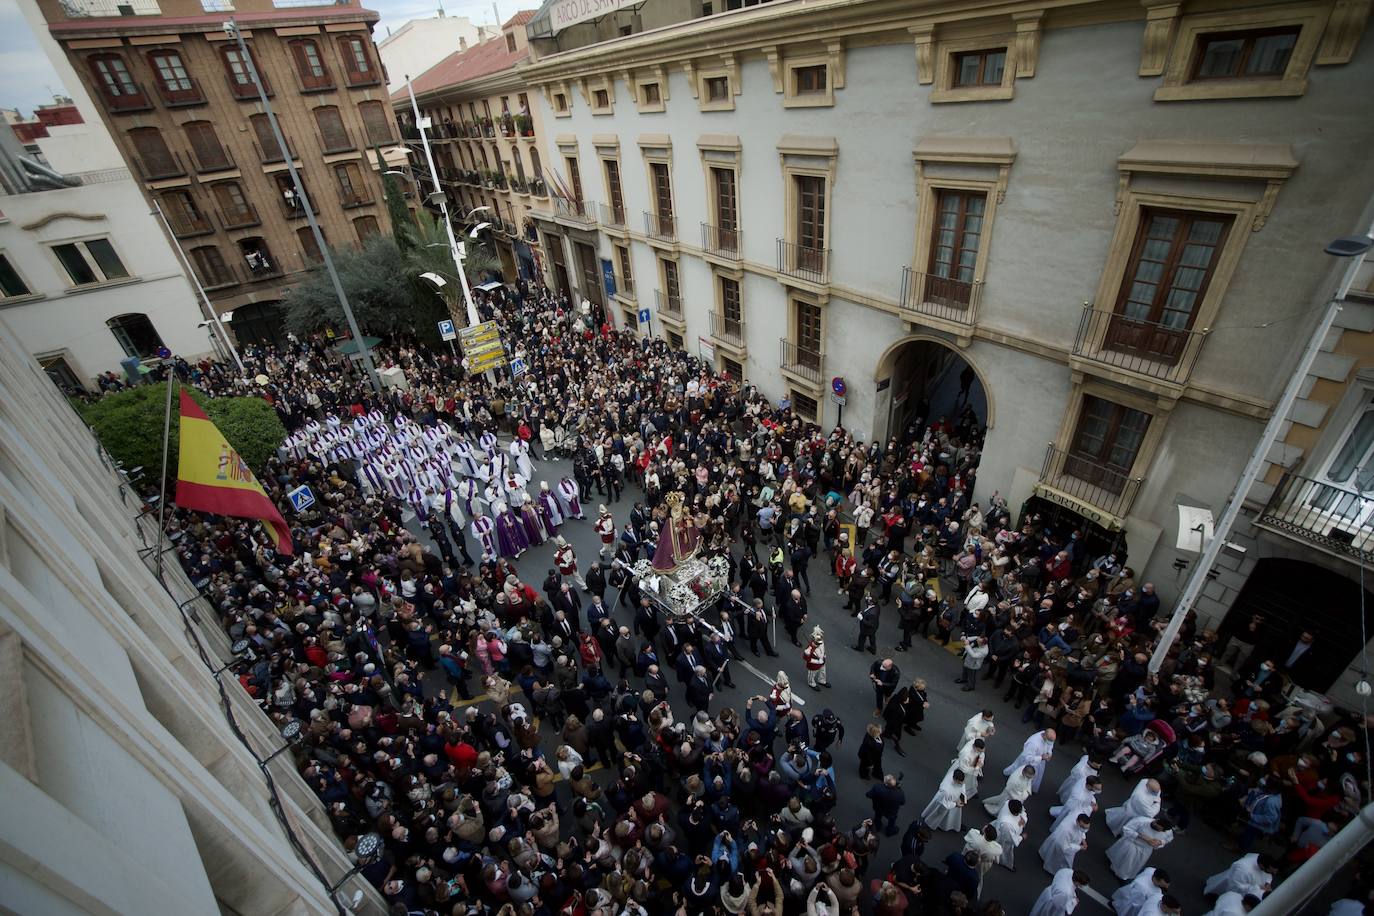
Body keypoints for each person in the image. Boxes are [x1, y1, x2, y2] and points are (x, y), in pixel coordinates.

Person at [1106, 815, 1174, 881]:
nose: (1158, 830)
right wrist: (1143, 837)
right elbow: (1127, 829)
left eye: (1160, 830)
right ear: (1156, 821)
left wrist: (1160, 842)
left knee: (1133, 864)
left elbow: (1168, 839)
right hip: (1133, 844)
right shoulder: (1141, 820)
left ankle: (1125, 874)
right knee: (1126, 861)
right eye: (1157, 827)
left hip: (1146, 849)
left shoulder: (1168, 831)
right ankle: (1118, 872)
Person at [1203, 853, 1278, 900]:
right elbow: (1235, 887)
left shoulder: (1263, 861)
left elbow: (1268, 875)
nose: (1270, 873)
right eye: (1270, 871)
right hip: (1236, 890)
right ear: (1262, 865)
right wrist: (1258, 889)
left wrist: (1267, 884)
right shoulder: (1243, 869)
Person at [920, 767, 967, 832]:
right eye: (960, 782)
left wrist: (961, 797)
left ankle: (952, 825)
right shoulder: (945, 790)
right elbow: (944, 803)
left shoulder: (958, 776)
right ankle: (929, 825)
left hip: (955, 800)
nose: (962, 783)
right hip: (944, 804)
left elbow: (962, 786)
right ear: (955, 779)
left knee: (951, 816)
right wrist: (955, 804)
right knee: (937, 814)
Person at [991, 797, 1027, 871]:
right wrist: (1021, 837)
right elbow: (1010, 839)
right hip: (1003, 838)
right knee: (1004, 851)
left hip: (1000, 827)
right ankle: (1002, 861)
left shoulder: (1008, 803)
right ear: (1015, 813)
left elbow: (1023, 811)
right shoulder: (1006, 825)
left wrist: (1023, 819)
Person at [802, 625, 829, 690]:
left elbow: (823, 650)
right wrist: (817, 661)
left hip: (822, 661)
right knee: (812, 674)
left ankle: (822, 680)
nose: (820, 643)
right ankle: (811, 683)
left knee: (823, 672)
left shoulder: (821, 642)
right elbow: (806, 658)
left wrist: (824, 656)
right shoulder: (809, 649)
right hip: (814, 665)